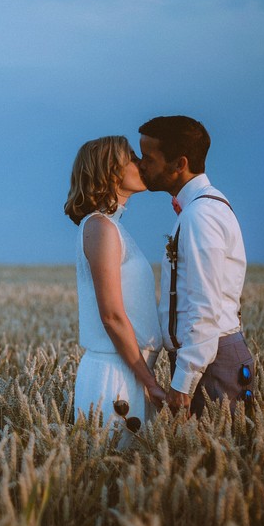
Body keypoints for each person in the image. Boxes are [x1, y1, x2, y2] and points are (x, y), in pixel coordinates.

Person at [137, 116, 254, 418]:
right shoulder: (198, 209)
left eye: (148, 158)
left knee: (226, 458)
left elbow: (205, 305)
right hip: (205, 357)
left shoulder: (200, 215)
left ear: (179, 164)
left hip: (213, 361)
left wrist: (184, 381)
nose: (141, 165)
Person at [64, 136, 166, 443]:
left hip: (130, 373)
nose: (141, 163)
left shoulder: (111, 227)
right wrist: (151, 383)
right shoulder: (100, 227)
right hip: (115, 377)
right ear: (111, 171)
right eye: (132, 158)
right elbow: (111, 316)